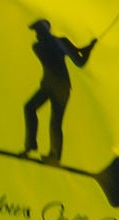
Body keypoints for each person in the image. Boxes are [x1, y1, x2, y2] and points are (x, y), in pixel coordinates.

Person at [21, 17, 95, 165]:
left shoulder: (54, 43)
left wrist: (86, 49)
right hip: (53, 86)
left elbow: (79, 61)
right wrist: (87, 49)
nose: (37, 34)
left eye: (39, 31)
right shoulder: (42, 46)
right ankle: (33, 146)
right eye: (37, 31)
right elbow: (79, 60)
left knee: (54, 121)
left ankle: (53, 155)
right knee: (31, 109)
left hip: (58, 86)